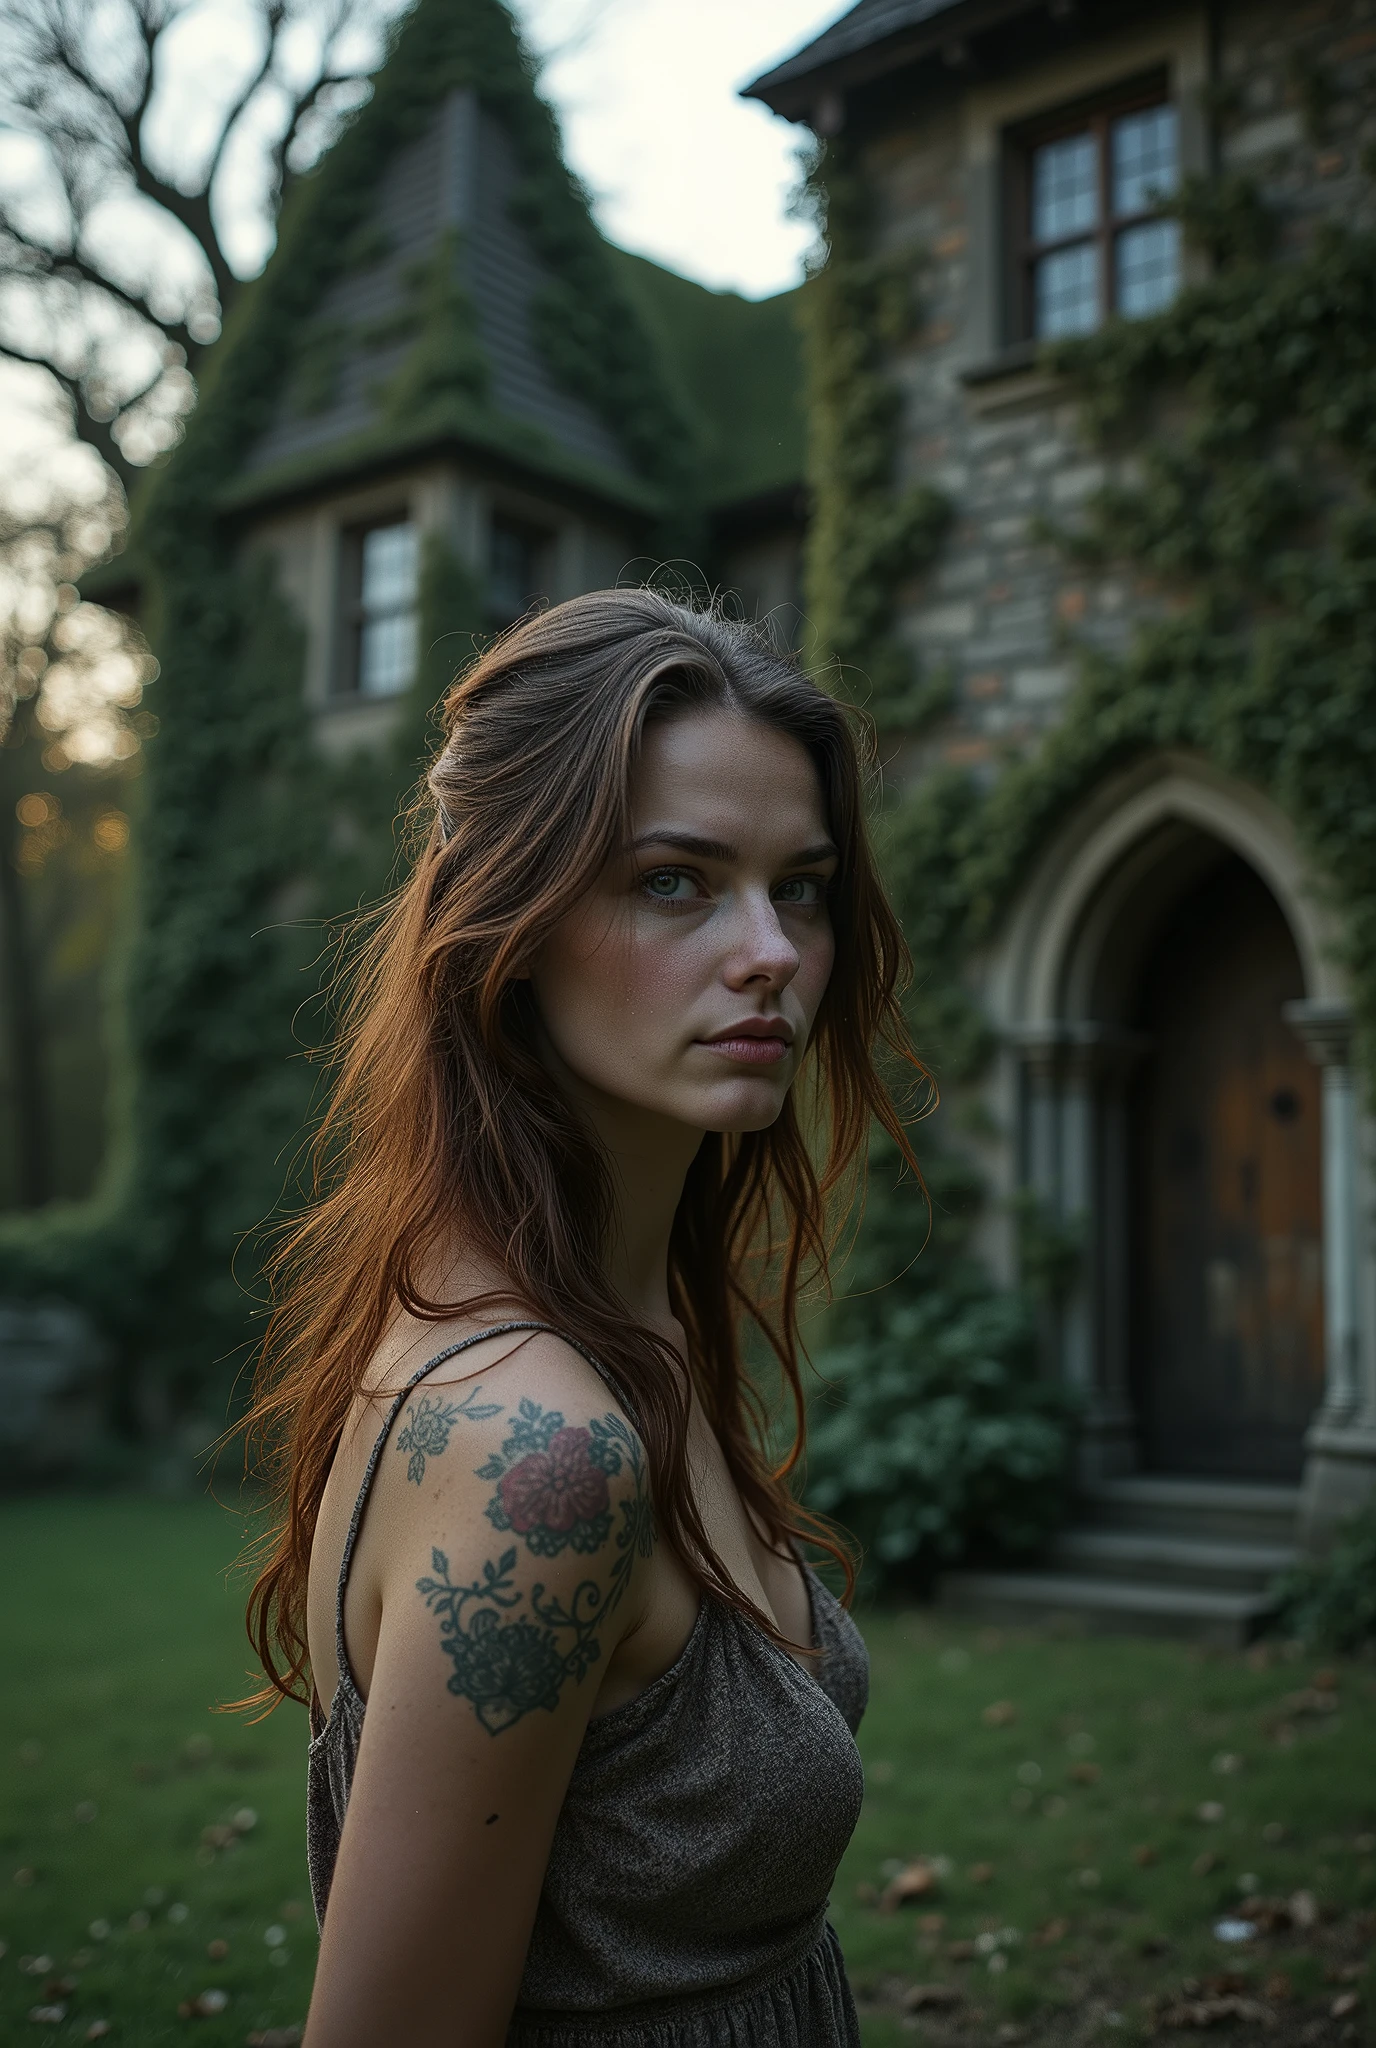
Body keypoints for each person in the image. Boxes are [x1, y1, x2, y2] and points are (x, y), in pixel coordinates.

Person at [240, 588, 924, 2046]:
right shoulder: (529, 1451)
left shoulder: (631, 1325)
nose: (770, 954)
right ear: (513, 921)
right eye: (675, 881)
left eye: (798, 886)